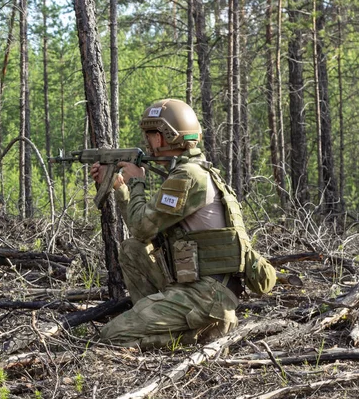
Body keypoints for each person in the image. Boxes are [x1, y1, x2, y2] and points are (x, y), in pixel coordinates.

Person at [91, 98, 257, 349]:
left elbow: (141, 227)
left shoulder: (187, 177)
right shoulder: (192, 171)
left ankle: (198, 335)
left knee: (111, 335)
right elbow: (143, 231)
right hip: (201, 289)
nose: (147, 142)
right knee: (133, 249)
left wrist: (137, 183)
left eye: (149, 135)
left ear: (161, 138)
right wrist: (121, 188)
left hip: (206, 296)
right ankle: (156, 317)